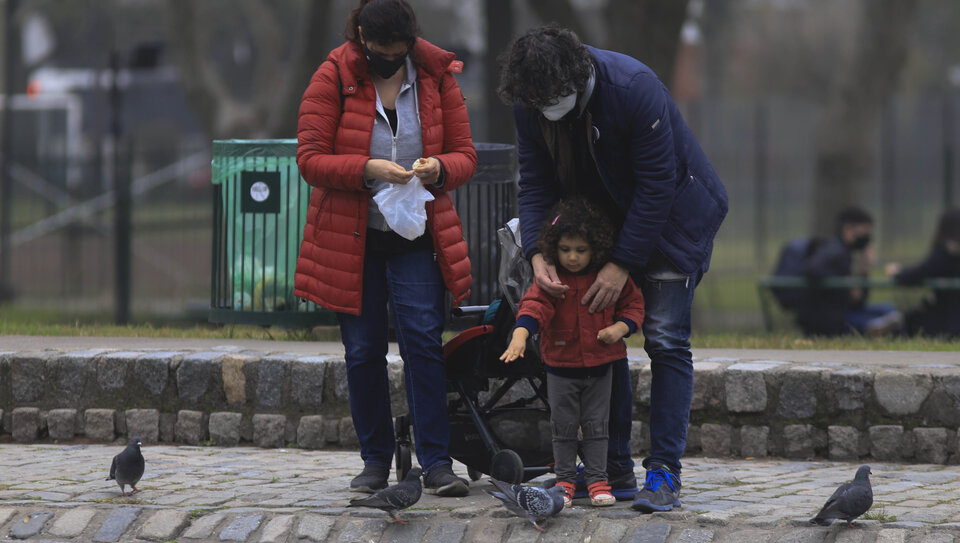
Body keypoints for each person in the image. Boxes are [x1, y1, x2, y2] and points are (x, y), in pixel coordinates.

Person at [497, 25, 728, 513]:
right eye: (536, 104)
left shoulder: (633, 88)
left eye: (553, 101)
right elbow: (535, 180)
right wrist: (537, 254)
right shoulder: (530, 101)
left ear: (578, 80)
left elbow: (657, 185)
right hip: (599, 229)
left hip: (670, 224)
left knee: (664, 339)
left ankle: (664, 471)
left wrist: (622, 264)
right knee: (603, 338)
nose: (544, 111)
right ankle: (613, 469)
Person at [293, 0, 477, 496]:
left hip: (416, 237)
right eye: (380, 52)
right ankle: (375, 459)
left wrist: (439, 167)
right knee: (363, 351)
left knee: (422, 344)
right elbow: (309, 159)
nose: (390, 60)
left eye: (399, 52)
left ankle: (436, 463)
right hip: (351, 241)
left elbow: (466, 155)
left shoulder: (437, 78)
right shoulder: (333, 75)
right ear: (361, 39)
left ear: (411, 43)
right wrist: (367, 167)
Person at [500, 198, 645, 508]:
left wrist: (620, 328)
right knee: (563, 426)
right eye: (565, 250)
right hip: (561, 366)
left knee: (597, 425)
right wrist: (521, 334)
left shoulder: (608, 277)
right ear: (555, 248)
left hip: (600, 364)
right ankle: (565, 480)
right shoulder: (553, 279)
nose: (573, 257)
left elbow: (633, 305)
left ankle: (597, 480)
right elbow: (533, 305)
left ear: (596, 248)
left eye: (580, 250)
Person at [794, 206, 902, 337]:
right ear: (848, 230)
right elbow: (811, 270)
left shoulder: (845, 253)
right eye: (864, 232)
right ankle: (869, 327)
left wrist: (865, 269)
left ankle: (873, 326)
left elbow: (859, 302)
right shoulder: (835, 250)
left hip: (844, 310)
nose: (867, 238)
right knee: (891, 319)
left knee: (889, 310)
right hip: (831, 317)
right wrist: (844, 283)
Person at [885, 208, 960, 337]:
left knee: (911, 320)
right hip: (948, 314)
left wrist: (897, 272)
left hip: (948, 320)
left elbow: (917, 274)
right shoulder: (946, 254)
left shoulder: (945, 254)